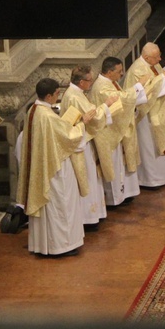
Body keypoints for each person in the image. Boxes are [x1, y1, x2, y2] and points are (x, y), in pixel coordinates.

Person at [16, 78, 96, 256]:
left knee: (50, 207)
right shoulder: (47, 115)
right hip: (55, 168)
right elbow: (68, 137)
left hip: (43, 166)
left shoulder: (34, 111)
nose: (58, 96)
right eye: (57, 94)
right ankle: (61, 245)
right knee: (62, 204)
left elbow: (56, 133)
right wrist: (83, 122)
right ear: (50, 95)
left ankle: (44, 245)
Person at [61, 66, 117, 227]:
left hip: (83, 140)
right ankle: (88, 217)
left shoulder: (76, 93)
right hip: (80, 144)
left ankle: (94, 214)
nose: (91, 83)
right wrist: (106, 105)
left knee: (92, 177)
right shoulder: (74, 96)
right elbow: (94, 117)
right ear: (81, 82)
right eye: (89, 80)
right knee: (88, 178)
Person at [89, 57, 149, 206]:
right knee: (114, 165)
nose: (121, 74)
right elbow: (121, 100)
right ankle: (114, 198)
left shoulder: (110, 82)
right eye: (119, 71)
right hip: (108, 133)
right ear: (109, 72)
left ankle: (125, 193)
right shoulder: (102, 86)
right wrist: (137, 86)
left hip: (116, 128)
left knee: (121, 164)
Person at [125, 43, 165, 187]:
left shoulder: (154, 65)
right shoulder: (137, 69)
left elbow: (159, 84)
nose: (160, 59)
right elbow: (144, 92)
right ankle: (149, 180)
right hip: (145, 115)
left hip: (159, 110)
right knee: (149, 147)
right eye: (156, 57)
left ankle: (161, 178)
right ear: (146, 57)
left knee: (158, 145)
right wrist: (164, 76)